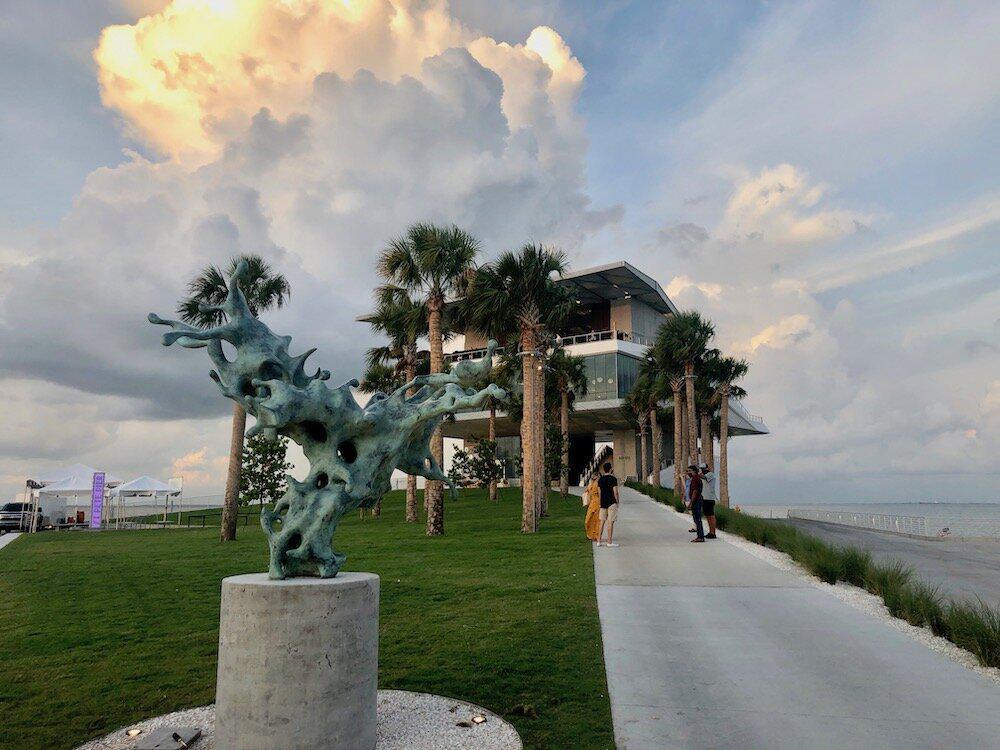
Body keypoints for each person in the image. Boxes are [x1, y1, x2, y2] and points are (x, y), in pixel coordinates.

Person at [596, 462, 620, 547]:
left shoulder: (600, 480)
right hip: (611, 502)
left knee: (601, 522)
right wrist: (617, 502)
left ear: (603, 469)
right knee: (610, 522)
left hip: (603, 503)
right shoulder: (613, 479)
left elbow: (599, 493)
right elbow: (615, 492)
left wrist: (600, 503)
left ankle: (598, 541)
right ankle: (609, 542)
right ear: (610, 469)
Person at [686, 465, 705, 542]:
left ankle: (700, 537)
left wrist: (691, 502)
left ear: (694, 471)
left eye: (689, 471)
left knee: (697, 519)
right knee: (697, 519)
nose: (688, 472)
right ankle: (700, 536)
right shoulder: (697, 478)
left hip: (696, 501)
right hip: (698, 500)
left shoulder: (695, 479)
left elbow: (695, 491)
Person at [701, 465, 718, 539]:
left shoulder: (710, 474)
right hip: (705, 498)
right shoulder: (705, 475)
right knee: (707, 516)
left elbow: (703, 477)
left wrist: (698, 473)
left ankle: (713, 532)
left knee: (711, 515)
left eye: (704, 468)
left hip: (709, 498)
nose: (703, 470)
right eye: (702, 469)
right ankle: (710, 532)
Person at [583, 473, 602, 541]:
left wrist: (600, 503)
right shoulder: (591, 483)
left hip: (597, 503)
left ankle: (596, 535)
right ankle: (590, 534)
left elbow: (600, 494)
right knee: (588, 519)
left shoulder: (598, 484)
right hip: (591, 503)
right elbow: (587, 491)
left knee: (597, 520)